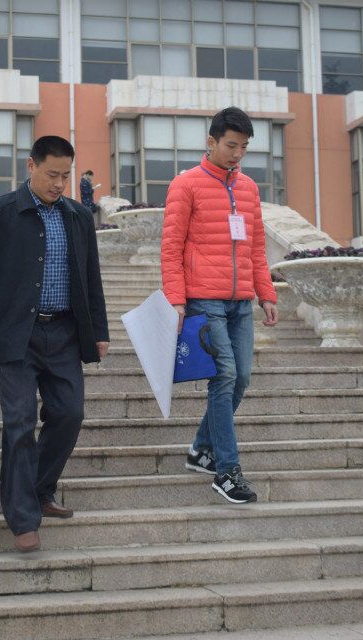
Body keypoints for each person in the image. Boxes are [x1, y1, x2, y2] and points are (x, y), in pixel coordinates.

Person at [0, 135, 110, 552]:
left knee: (70, 413)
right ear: (31, 166)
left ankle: (41, 488)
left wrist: (99, 330)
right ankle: (23, 517)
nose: (59, 184)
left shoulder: (78, 217)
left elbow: (91, 278)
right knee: (21, 421)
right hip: (16, 336)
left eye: (66, 176)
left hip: (63, 334)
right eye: (52, 175)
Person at [160, 106, 279, 504]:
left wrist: (266, 293)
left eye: (244, 147)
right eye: (231, 145)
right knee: (224, 376)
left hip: (240, 301)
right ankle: (227, 472)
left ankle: (200, 449)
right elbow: (171, 248)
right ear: (211, 141)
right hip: (204, 298)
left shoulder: (248, 189)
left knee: (241, 378)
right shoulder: (186, 185)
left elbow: (256, 247)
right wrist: (176, 300)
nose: (237, 154)